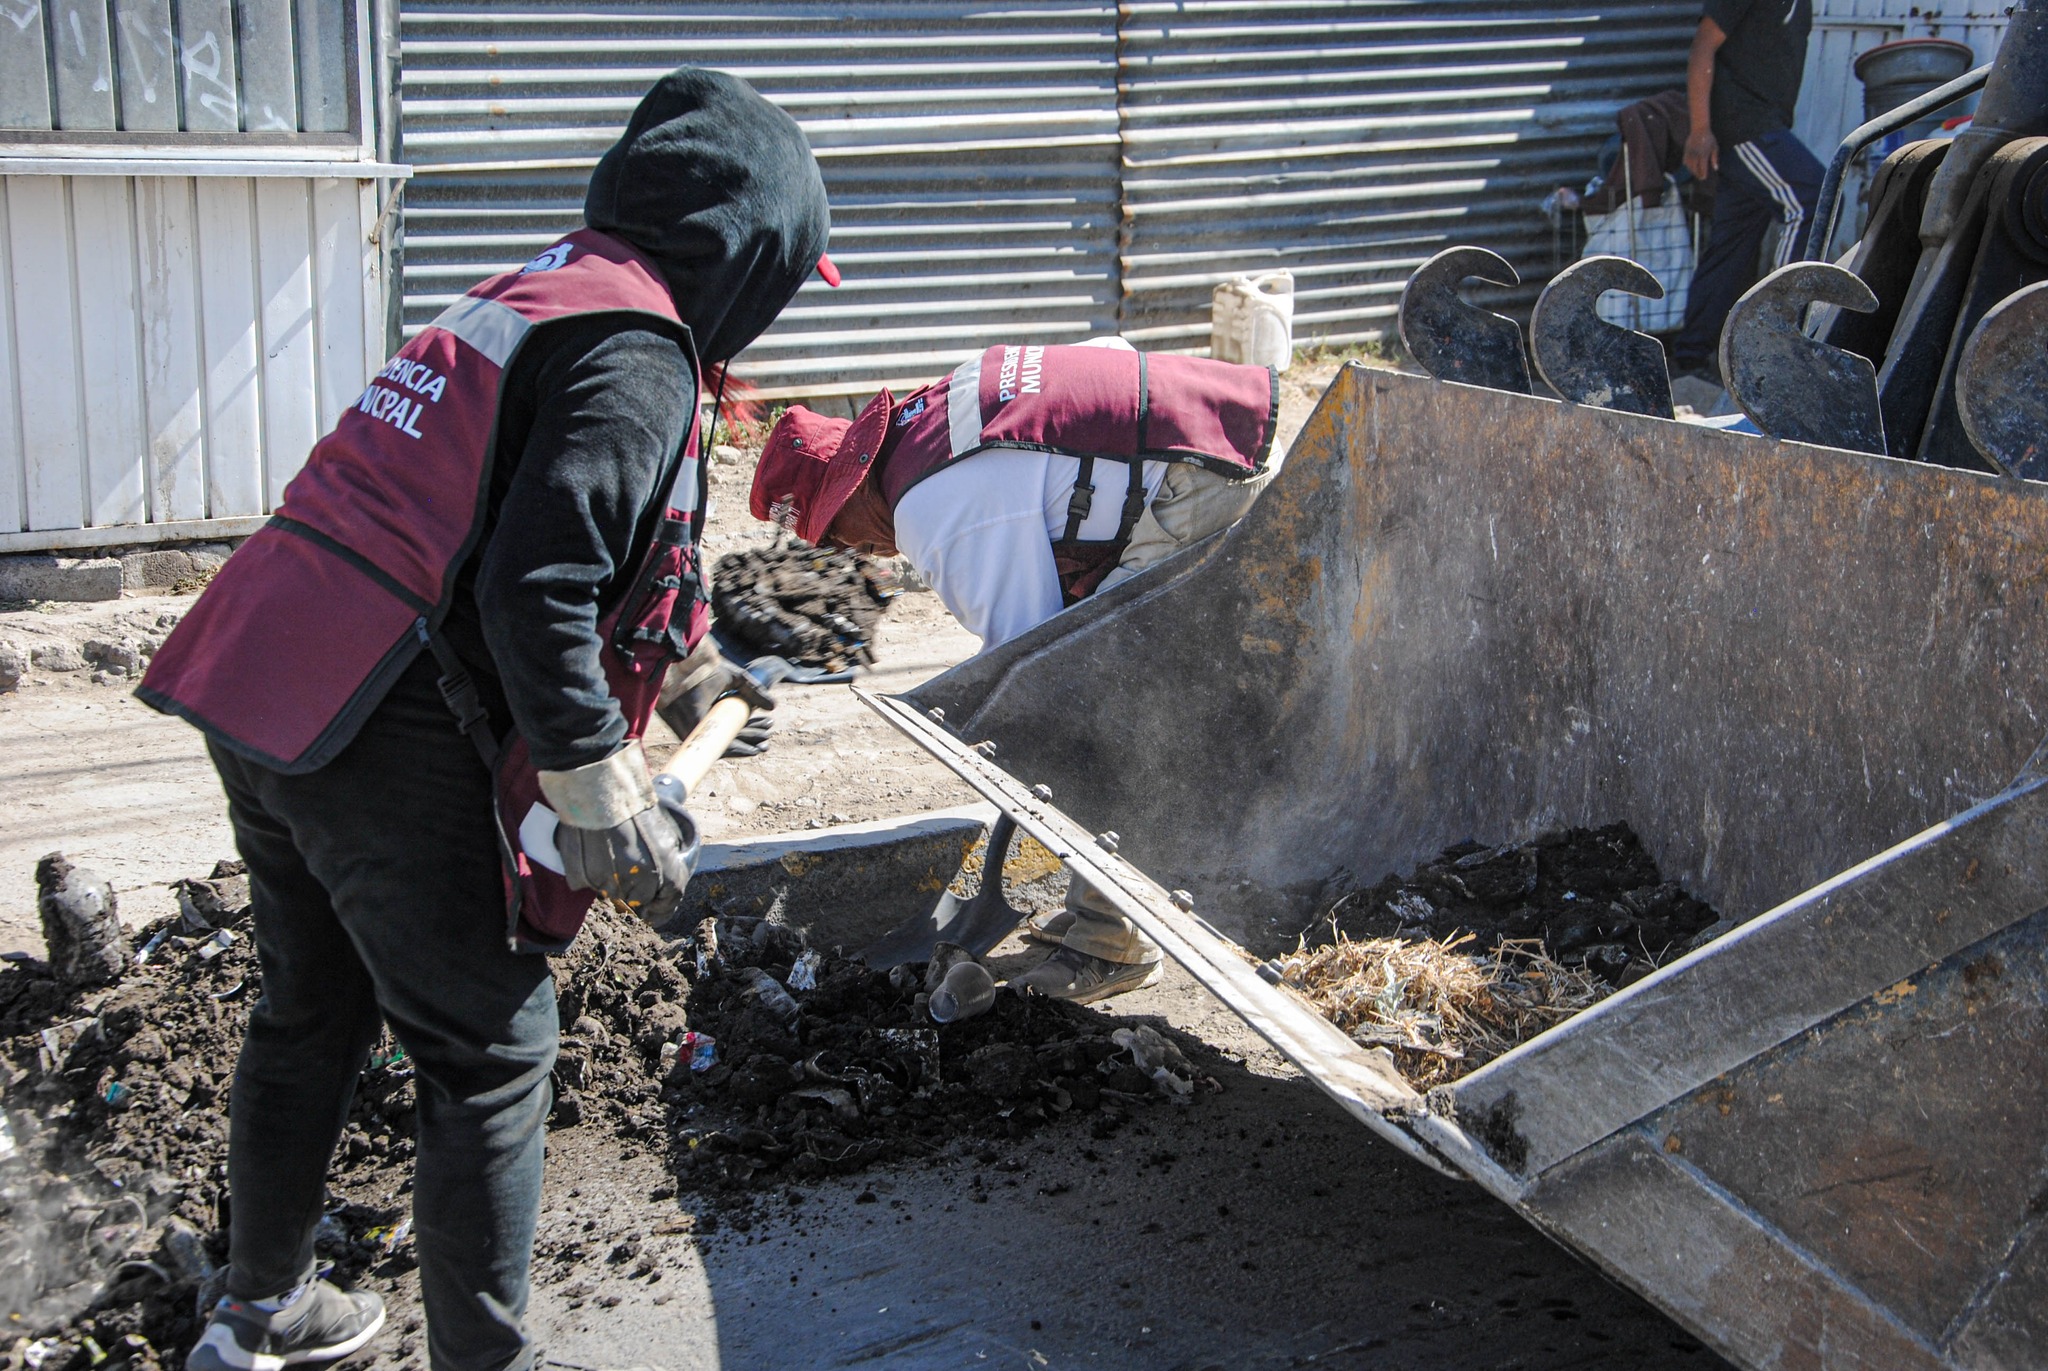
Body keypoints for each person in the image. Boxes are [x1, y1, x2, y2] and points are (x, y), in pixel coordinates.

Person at [136, 69, 833, 1371]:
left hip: (263, 674)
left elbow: (530, 522)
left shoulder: (544, 293)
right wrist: (598, 785)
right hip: (373, 712)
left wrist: (688, 677)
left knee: (312, 1007)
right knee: (494, 1051)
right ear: (751, 253)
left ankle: (257, 1311)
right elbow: (536, 585)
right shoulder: (639, 353)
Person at [747, 337, 1280, 1002]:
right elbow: (1104, 355)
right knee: (1086, 677)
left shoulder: (929, 509)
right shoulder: (929, 416)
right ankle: (1104, 907)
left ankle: (1113, 943)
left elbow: (1039, 662)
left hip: (1204, 475)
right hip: (1216, 424)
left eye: (838, 532)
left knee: (1103, 706)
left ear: (854, 484)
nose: (857, 549)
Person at [1668, 0, 1820, 381]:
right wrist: (1699, 129)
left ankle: (1692, 358)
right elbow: (1703, 46)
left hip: (1763, 124)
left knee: (1732, 242)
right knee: (1810, 198)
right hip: (1745, 125)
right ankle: (1778, 329)